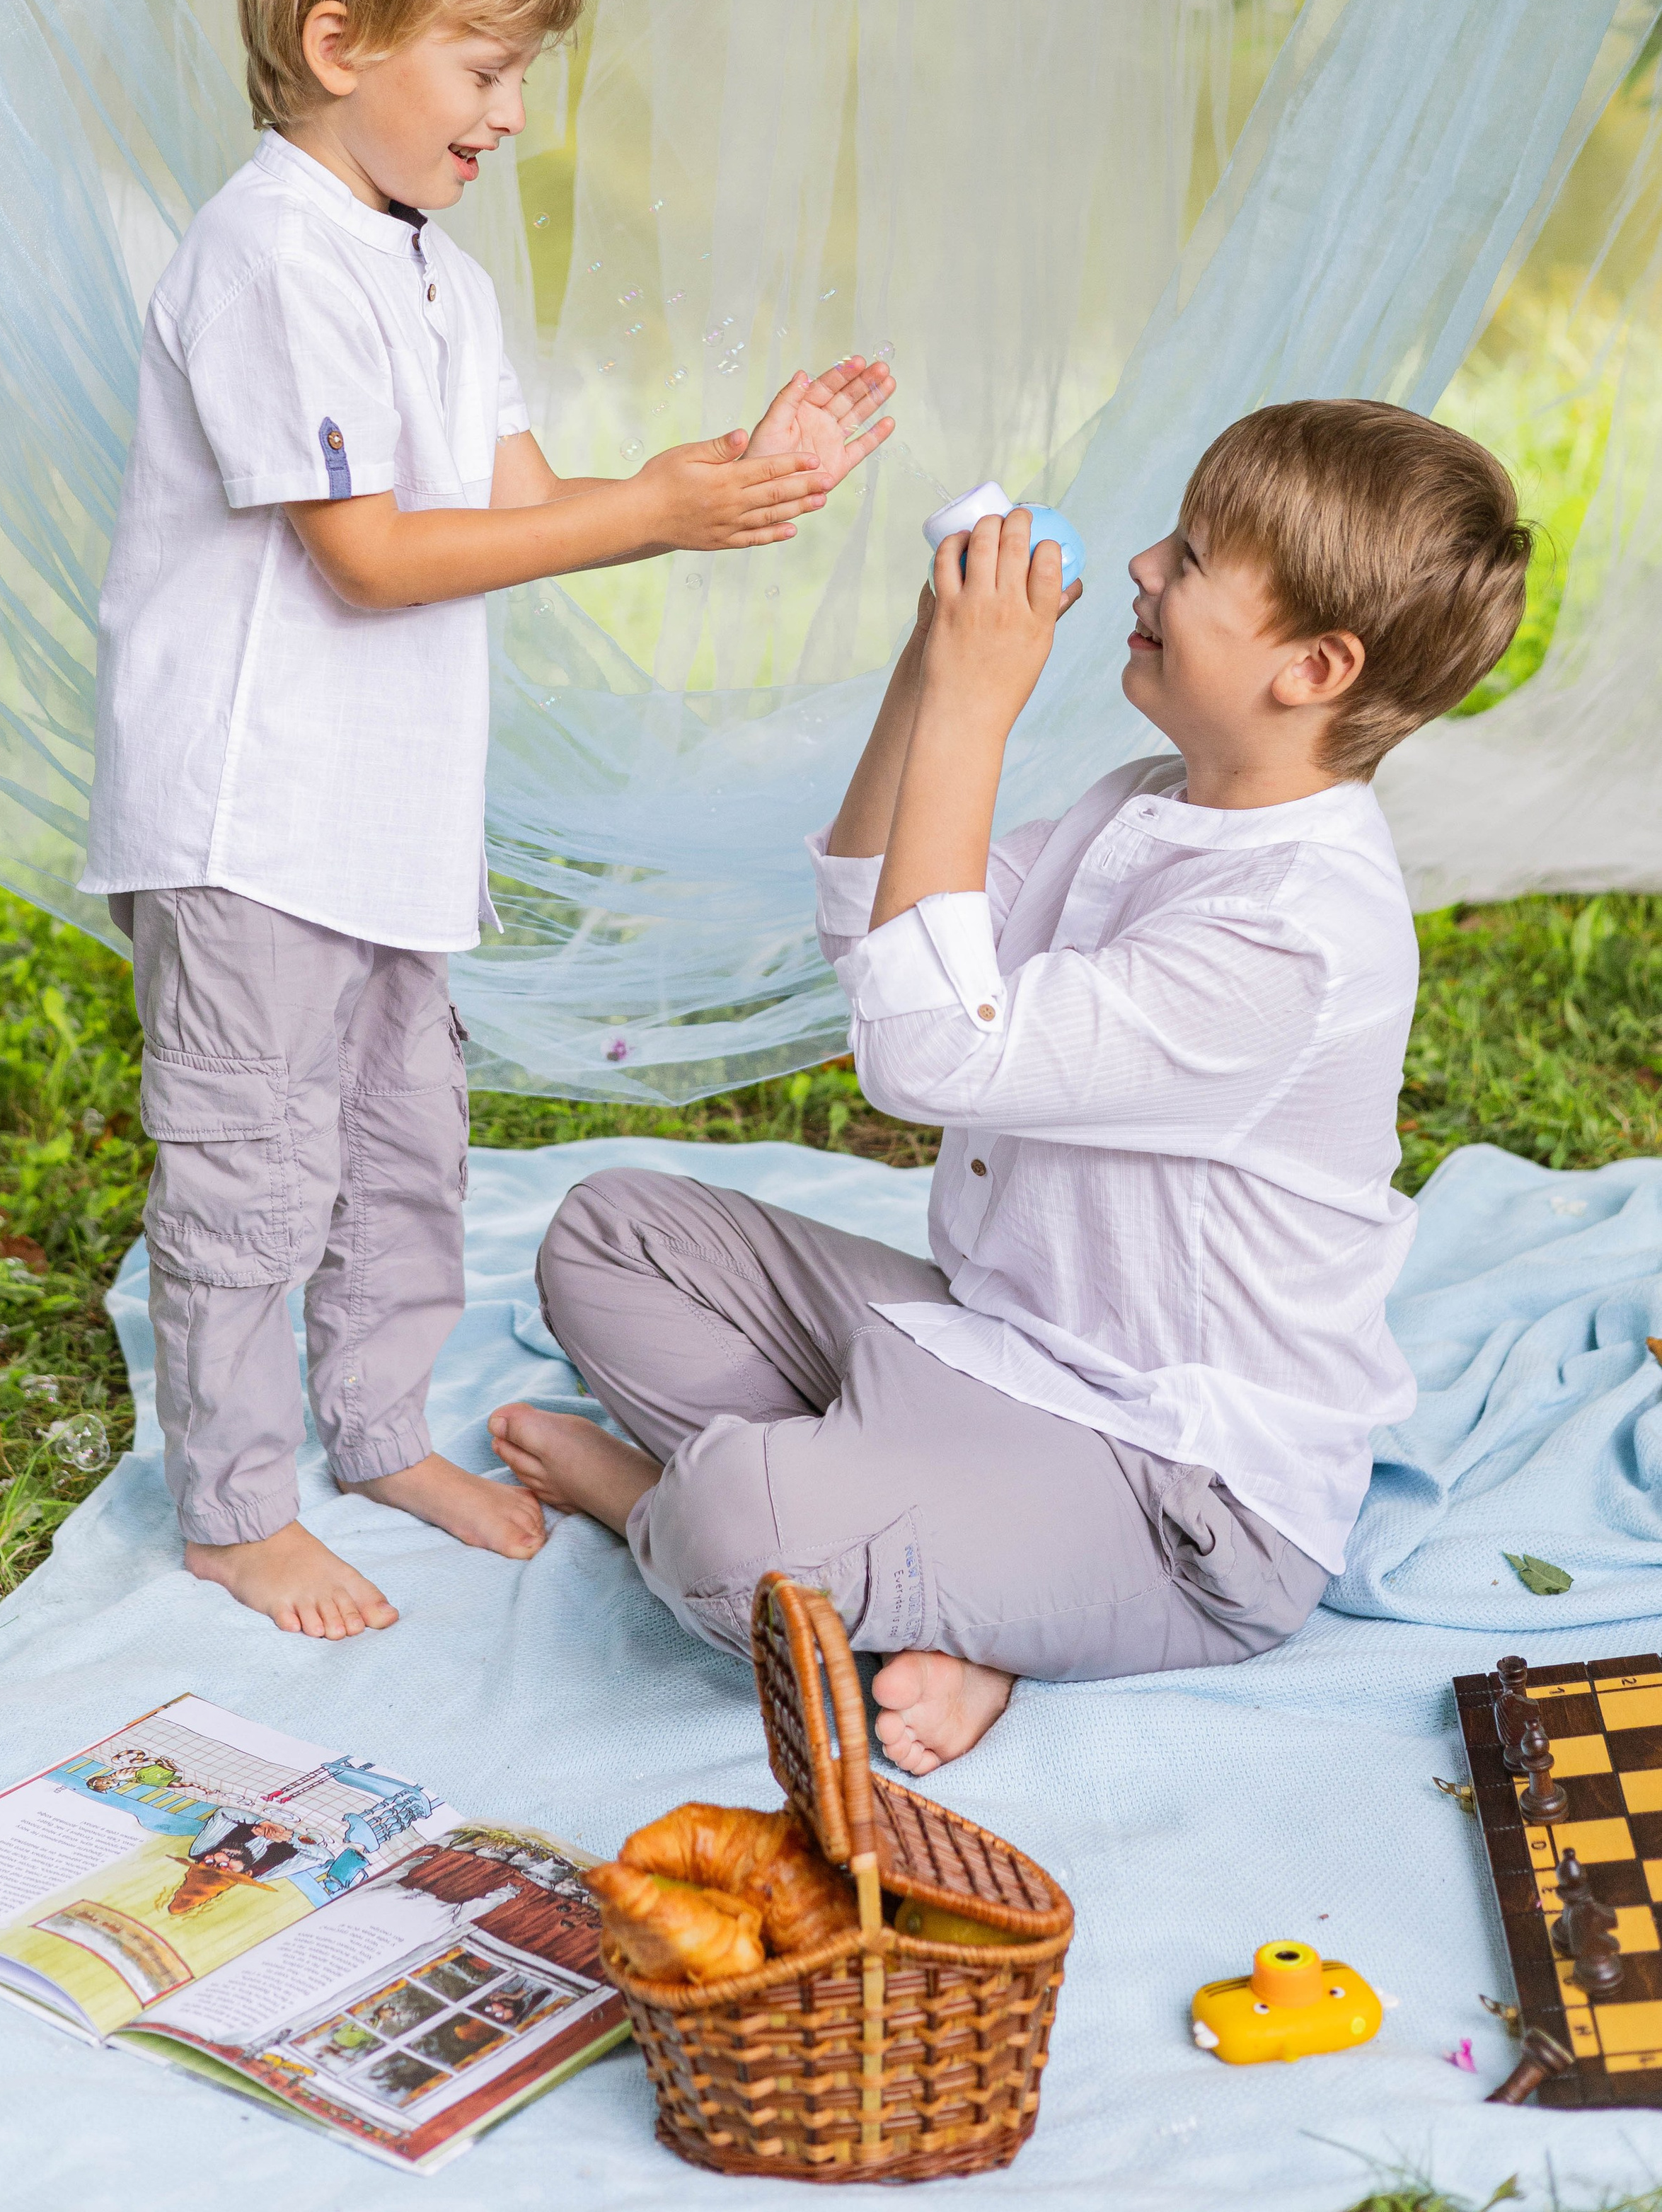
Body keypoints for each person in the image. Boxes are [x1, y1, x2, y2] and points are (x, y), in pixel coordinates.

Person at [83, 0, 894, 1641]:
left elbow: (521, 499)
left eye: (521, 69)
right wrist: (657, 508)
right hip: (247, 821)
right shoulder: (269, 259)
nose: (513, 109)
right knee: (253, 1172)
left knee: (401, 1149)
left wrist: (723, 479)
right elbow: (372, 558)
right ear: (338, 42)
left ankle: (371, 1432)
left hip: (377, 824)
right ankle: (230, 1506)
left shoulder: (432, 266)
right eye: (485, 63)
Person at [490, 401, 1531, 1770]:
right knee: (616, 1232)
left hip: (1175, 1489)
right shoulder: (1145, 800)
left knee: (729, 1526)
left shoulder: (1296, 934)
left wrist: (984, 709)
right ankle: (957, 1577)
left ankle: (691, 1516)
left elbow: (929, 1053)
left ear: (1314, 666)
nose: (1147, 567)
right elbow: (873, 921)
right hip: (999, 1342)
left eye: (1198, 557)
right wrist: (932, 675)